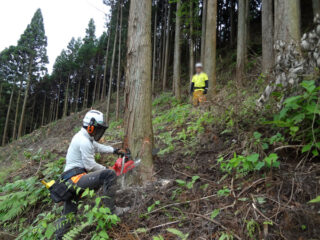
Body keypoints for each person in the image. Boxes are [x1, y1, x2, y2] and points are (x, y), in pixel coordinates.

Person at [55, 110, 125, 239]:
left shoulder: (84, 137)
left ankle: (59, 237)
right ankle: (112, 210)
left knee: (68, 216)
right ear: (91, 126)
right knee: (108, 175)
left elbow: (97, 146)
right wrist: (107, 169)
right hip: (75, 180)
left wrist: (114, 150)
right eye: (97, 129)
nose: (99, 132)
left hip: (70, 181)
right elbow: (90, 165)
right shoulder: (84, 140)